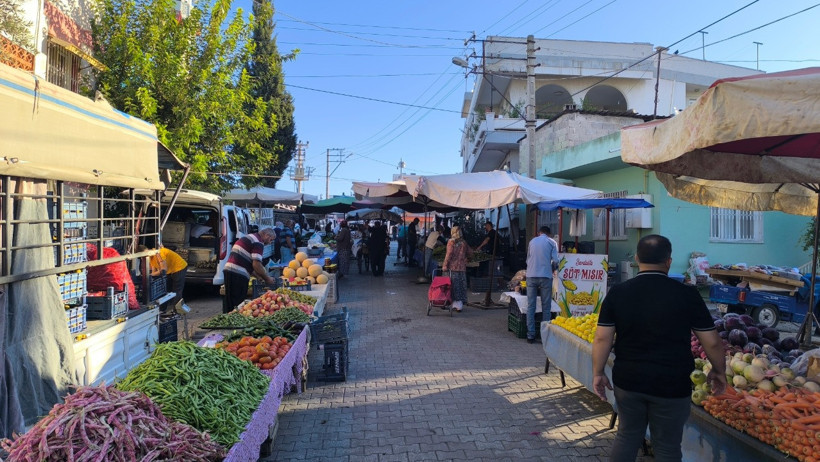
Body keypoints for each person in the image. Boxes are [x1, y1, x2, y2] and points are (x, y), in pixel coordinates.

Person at [592, 235, 727, 461]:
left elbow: (602, 339)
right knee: (667, 446)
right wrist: (719, 370)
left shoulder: (618, 293)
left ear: (636, 259)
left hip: (629, 380)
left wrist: (598, 372)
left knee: (627, 436)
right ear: (669, 261)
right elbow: (711, 341)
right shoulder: (687, 294)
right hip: (672, 384)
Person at [222, 228, 277, 313]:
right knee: (237, 301)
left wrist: (258, 276)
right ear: (266, 235)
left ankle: (227, 321)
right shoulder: (258, 242)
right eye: (271, 239)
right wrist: (267, 278)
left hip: (230, 270)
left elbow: (248, 263)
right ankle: (234, 322)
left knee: (230, 300)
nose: (270, 242)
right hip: (238, 273)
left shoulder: (250, 237)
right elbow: (256, 264)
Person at [524, 226, 559, 343]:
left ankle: (530, 335)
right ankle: (545, 336)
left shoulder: (532, 241)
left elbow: (528, 259)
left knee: (531, 306)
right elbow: (555, 261)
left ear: (539, 233)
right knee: (546, 306)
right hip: (545, 276)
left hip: (531, 276)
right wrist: (554, 270)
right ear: (548, 234)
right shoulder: (552, 242)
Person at [442, 226, 473, 312]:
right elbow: (471, 252)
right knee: (461, 285)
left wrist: (445, 265)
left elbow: (449, 254)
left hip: (452, 267)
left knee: (453, 286)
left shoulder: (451, 242)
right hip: (462, 268)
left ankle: (453, 303)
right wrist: (467, 259)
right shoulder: (464, 242)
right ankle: (459, 305)